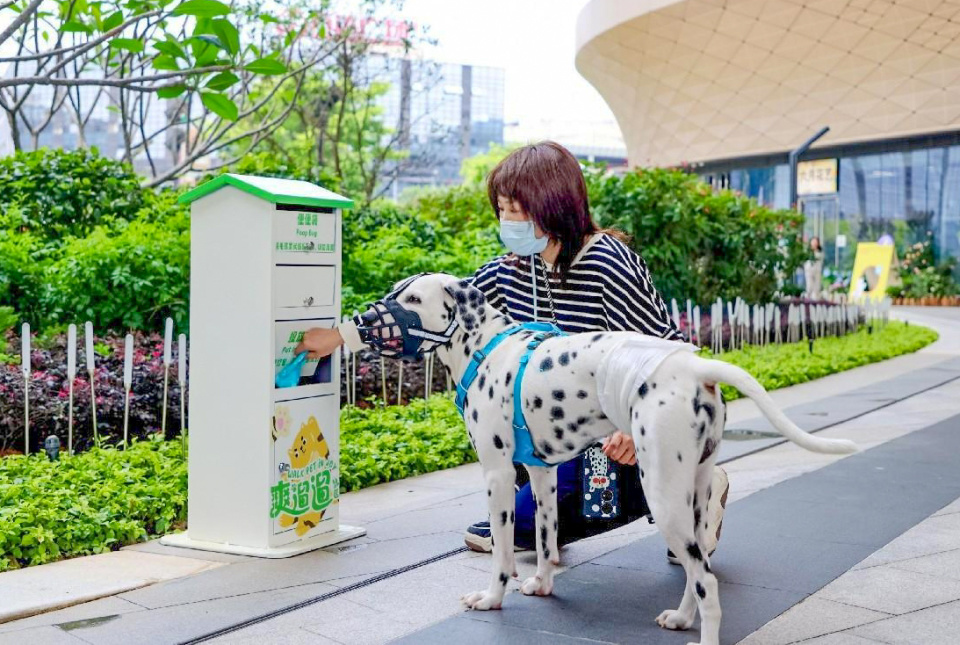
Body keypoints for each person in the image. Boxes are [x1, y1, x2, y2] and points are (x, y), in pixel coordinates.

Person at [295, 141, 729, 563]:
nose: (507, 221)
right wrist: (341, 336)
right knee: (525, 523)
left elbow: (672, 353)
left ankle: (695, 488)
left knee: (538, 522)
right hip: (556, 433)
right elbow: (433, 309)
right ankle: (557, 511)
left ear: (554, 207)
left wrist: (635, 426)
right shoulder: (510, 270)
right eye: (502, 209)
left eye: (517, 211)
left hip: (622, 428)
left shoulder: (607, 264)